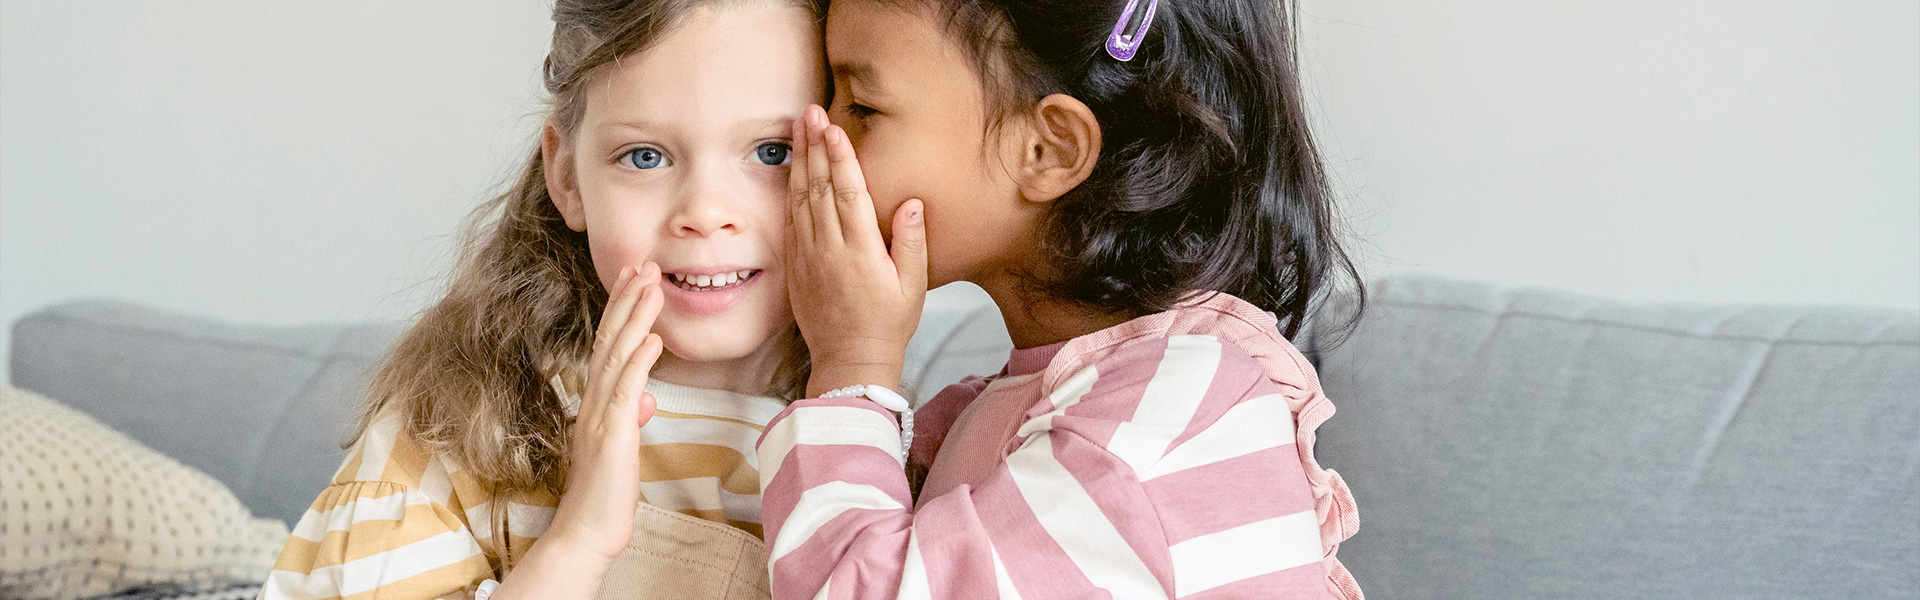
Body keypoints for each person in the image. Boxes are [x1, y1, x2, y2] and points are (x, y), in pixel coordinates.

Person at [761, 0, 1366, 596]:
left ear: (1048, 150)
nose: (815, 139)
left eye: (862, 107)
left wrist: (852, 362)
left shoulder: (1166, 420)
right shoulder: (1016, 406)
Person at [262, 0, 823, 597]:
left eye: (773, 153)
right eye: (645, 157)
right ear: (567, 174)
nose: (706, 213)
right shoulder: (461, 426)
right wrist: (579, 539)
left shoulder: (881, 434)